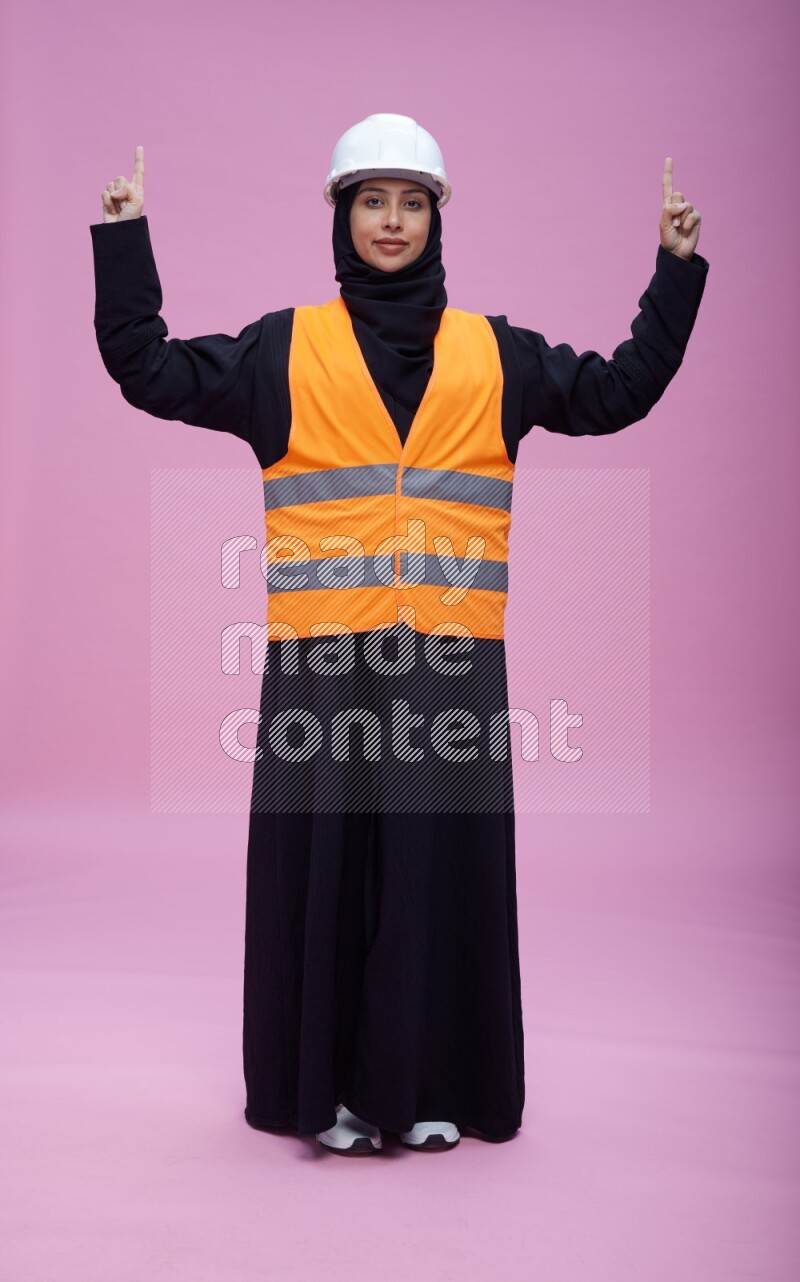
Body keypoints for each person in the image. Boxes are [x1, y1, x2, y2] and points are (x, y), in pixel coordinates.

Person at [90, 114, 708, 1156]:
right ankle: (325, 1091)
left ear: (436, 219)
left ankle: (424, 1085)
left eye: (410, 203)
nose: (390, 221)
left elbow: (616, 390)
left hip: (450, 667)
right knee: (328, 870)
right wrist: (124, 237)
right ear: (341, 215)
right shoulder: (282, 349)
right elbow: (148, 368)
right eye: (371, 201)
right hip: (323, 664)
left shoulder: (496, 353)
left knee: (434, 872)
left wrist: (674, 272)